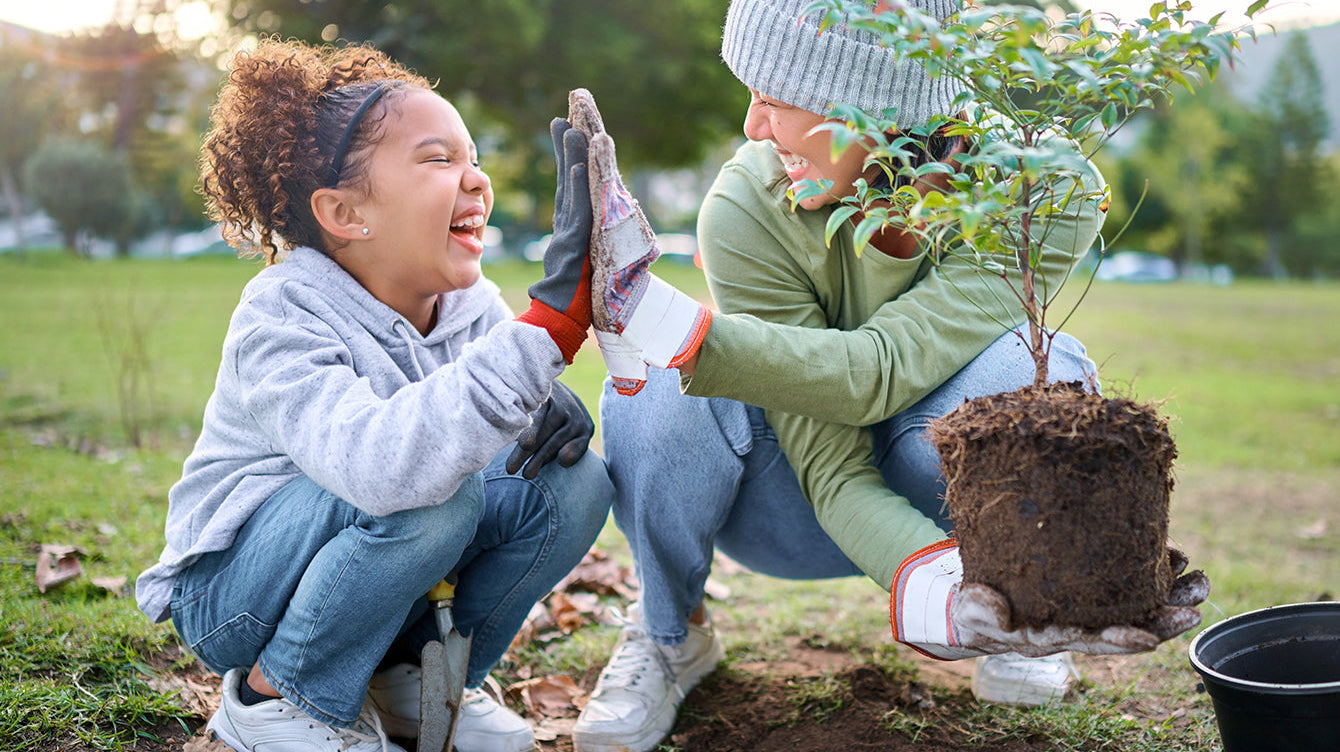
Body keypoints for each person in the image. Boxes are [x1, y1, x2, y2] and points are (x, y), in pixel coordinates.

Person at [568, 2, 1210, 751]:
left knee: (1031, 370)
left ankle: (1023, 602)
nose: (752, 127)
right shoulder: (747, 209)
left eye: (773, 97)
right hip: (788, 507)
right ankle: (670, 634)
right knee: (661, 392)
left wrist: (668, 322)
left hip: (955, 498)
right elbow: (831, 465)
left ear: (867, 105)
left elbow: (880, 372)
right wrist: (931, 590)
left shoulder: (1045, 192)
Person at [133, 39, 613, 752]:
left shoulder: (469, 304)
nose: (476, 180)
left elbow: (475, 415)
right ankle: (279, 697)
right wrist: (547, 331)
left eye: (473, 157)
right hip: (234, 594)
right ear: (345, 213)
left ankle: (415, 682)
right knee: (427, 494)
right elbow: (383, 468)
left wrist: (533, 401)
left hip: (375, 553)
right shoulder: (282, 314)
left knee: (571, 482)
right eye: (439, 159)